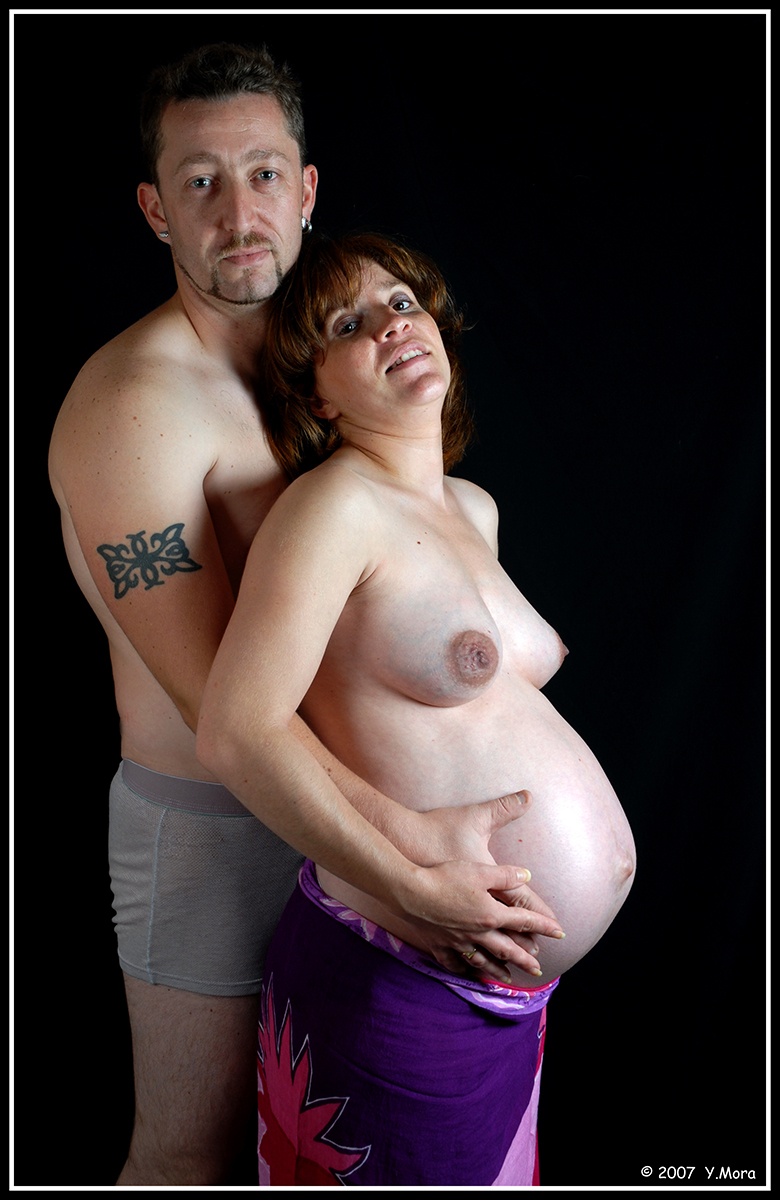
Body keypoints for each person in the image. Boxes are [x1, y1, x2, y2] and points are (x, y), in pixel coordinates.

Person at [47, 44, 565, 1186]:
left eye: (264, 174)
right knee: (190, 1154)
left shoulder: (324, 367)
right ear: (155, 210)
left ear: (307, 187)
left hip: (342, 822)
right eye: (200, 181)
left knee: (320, 1149)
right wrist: (410, 852)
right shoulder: (137, 406)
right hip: (217, 832)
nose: (240, 213)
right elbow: (223, 712)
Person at [196, 231, 637, 1186]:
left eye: (402, 304)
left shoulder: (472, 509)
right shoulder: (329, 510)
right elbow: (237, 729)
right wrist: (410, 886)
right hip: (396, 972)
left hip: (508, 1000)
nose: (392, 326)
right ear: (318, 395)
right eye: (347, 325)